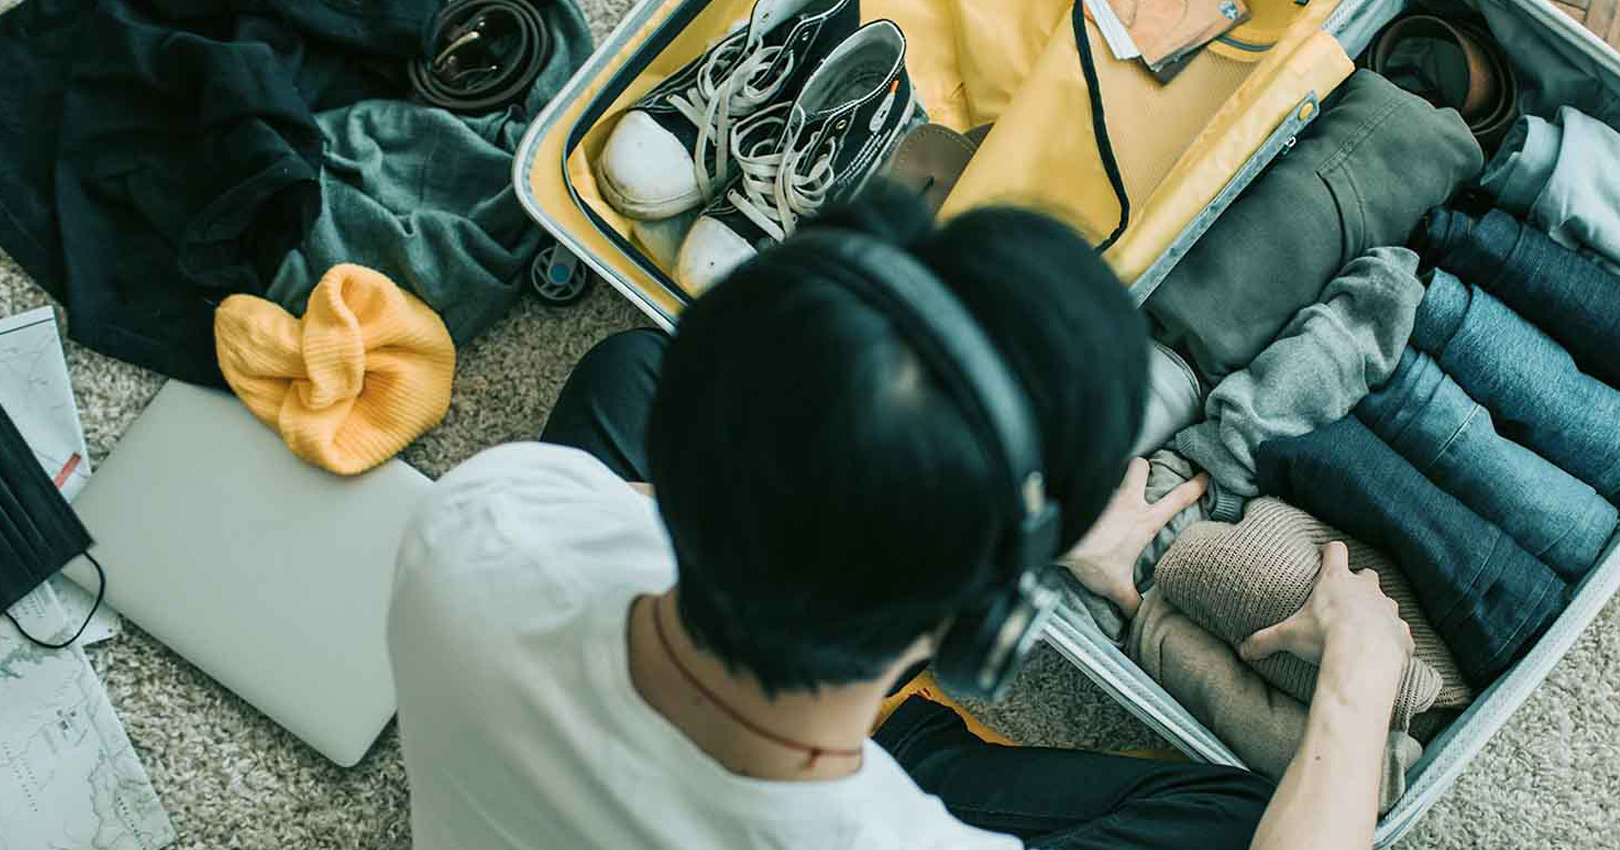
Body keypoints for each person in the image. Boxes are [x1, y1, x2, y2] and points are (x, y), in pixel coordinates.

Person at [386, 184, 1414, 850]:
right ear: (992, 627)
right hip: (823, 784)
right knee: (1261, 817)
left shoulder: (485, 517)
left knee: (625, 372)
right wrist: (1355, 693)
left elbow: (670, 496)